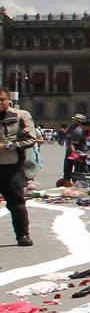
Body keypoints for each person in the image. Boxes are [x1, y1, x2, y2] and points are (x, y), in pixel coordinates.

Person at [0, 89, 38, 245]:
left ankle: (23, 235)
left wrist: (8, 145)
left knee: (16, 203)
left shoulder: (21, 115)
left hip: (11, 167)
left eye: (1, 99)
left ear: (8, 100)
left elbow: (31, 139)